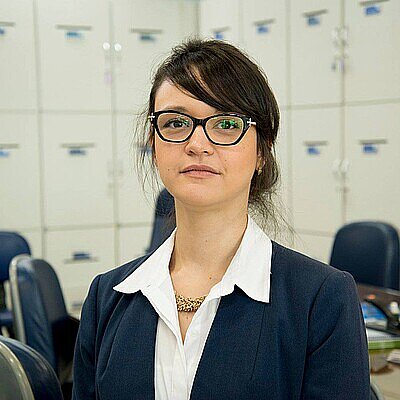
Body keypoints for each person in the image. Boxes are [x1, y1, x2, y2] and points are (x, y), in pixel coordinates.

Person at [72, 38, 370, 400]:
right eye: (176, 122)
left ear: (262, 151)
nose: (197, 144)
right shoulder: (106, 298)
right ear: (154, 145)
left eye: (226, 123)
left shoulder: (322, 300)